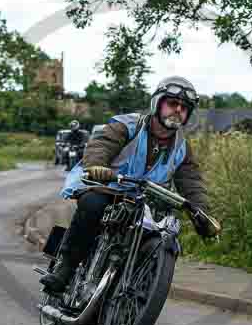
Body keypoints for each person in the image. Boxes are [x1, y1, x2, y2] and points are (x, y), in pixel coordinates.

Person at [40, 76, 221, 294]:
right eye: (172, 104)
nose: (178, 110)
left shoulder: (181, 147)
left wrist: (203, 214)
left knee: (159, 231)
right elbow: (101, 145)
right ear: (157, 103)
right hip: (107, 187)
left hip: (144, 200)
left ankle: (136, 291)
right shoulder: (128, 125)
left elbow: (191, 182)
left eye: (184, 108)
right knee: (92, 205)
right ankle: (65, 269)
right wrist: (98, 166)